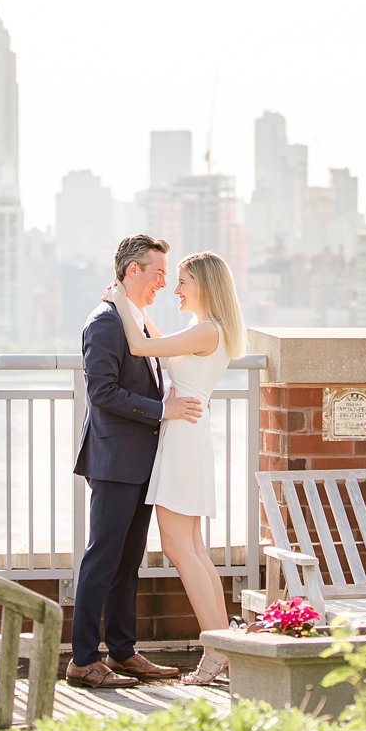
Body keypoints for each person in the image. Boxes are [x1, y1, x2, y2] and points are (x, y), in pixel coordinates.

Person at [68, 234, 205, 689]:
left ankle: (124, 652)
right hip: (113, 461)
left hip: (140, 461)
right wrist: (162, 410)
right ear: (132, 272)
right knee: (102, 558)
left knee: (128, 562)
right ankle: (84, 659)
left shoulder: (135, 318)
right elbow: (102, 393)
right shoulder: (105, 322)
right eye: (158, 273)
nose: (164, 283)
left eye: (169, 275)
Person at [107, 250, 245, 685]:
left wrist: (118, 303)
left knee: (181, 549)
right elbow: (160, 340)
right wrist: (136, 312)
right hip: (187, 434)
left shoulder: (206, 330)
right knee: (194, 550)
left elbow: (140, 346)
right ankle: (224, 648)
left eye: (182, 281)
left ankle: (216, 651)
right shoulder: (206, 331)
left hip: (184, 437)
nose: (176, 289)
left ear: (203, 284)